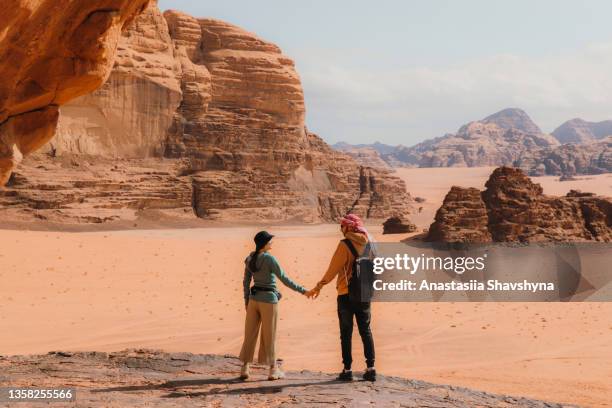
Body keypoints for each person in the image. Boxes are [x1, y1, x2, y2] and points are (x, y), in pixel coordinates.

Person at [308, 214, 377, 382]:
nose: (341, 230)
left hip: (346, 294)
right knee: (365, 330)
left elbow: (333, 268)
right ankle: (371, 368)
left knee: (346, 333)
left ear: (348, 228)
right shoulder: (370, 242)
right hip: (364, 294)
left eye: (342, 227)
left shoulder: (345, 244)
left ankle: (347, 369)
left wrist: (320, 285)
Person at [239, 230, 310, 381]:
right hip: (269, 301)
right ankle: (273, 370)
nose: (272, 242)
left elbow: (246, 282)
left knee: (249, 334)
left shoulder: (249, 258)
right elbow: (284, 279)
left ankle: (245, 367)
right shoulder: (270, 259)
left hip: (253, 300)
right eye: (270, 240)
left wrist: (247, 301)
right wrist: (304, 291)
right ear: (264, 243)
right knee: (270, 335)